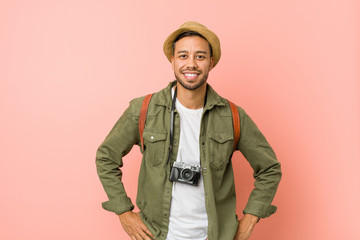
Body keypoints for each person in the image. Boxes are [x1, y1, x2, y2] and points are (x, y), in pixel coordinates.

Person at [96, 21, 282, 240]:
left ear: (211, 63)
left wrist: (251, 218)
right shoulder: (144, 110)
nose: (191, 64)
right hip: (157, 235)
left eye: (200, 56)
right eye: (183, 56)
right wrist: (123, 212)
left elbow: (270, 168)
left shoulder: (232, 116)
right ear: (172, 60)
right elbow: (106, 157)